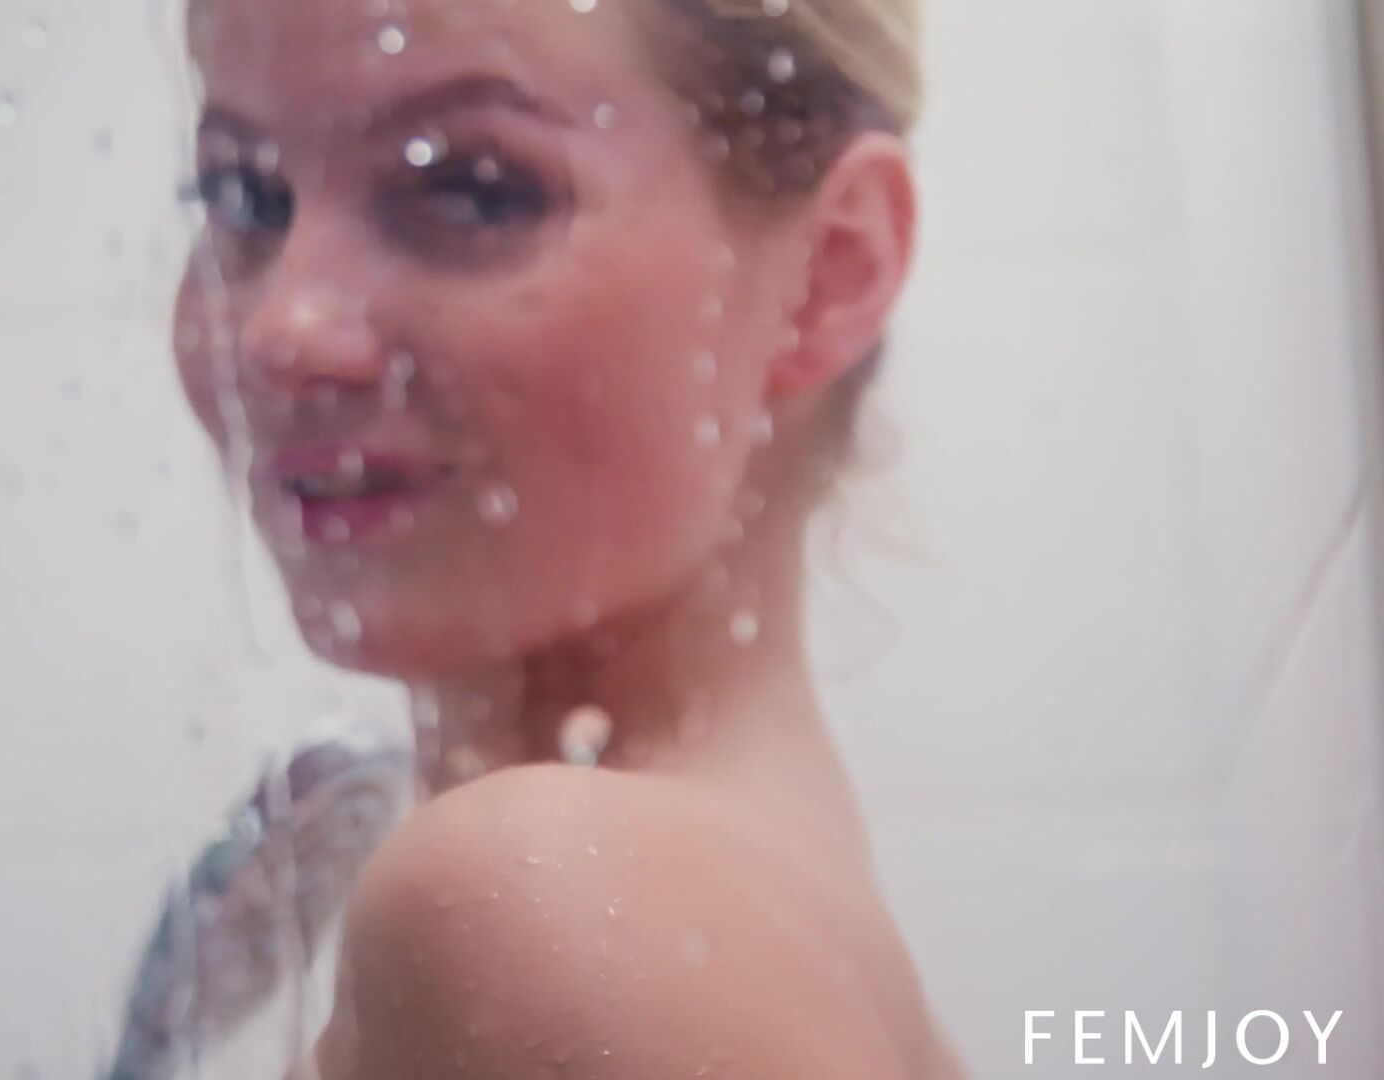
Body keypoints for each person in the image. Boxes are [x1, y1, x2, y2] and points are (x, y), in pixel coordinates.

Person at [166, 0, 967, 1074]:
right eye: (242, 196)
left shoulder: (544, 903)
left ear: (830, 270)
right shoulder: (735, 909)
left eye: (470, 188)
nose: (281, 331)